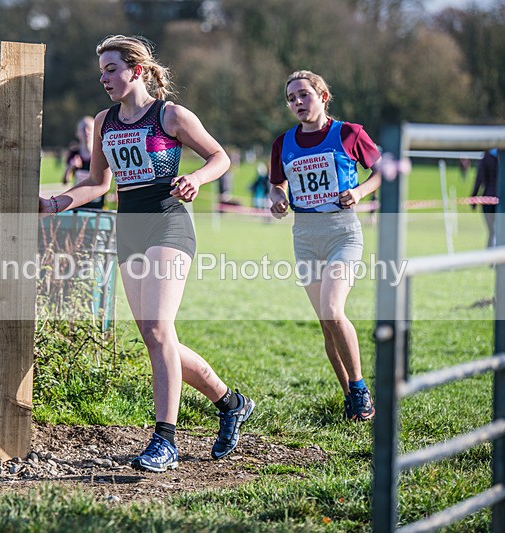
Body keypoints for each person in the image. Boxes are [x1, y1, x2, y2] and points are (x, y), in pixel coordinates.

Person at [39, 35, 255, 472]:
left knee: (158, 329)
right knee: (157, 338)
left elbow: (219, 157)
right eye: (101, 72)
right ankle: (231, 403)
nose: (104, 79)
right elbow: (98, 183)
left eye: (112, 69)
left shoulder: (170, 115)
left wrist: (196, 179)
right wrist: (55, 203)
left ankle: (165, 441)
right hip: (130, 229)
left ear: (136, 71)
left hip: (167, 223)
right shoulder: (105, 121)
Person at [269, 70, 381, 422]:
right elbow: (276, 184)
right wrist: (277, 198)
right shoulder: (283, 143)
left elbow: (382, 171)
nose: (297, 103)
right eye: (291, 99)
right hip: (305, 237)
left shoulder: (349, 133)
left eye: (304, 95)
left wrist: (359, 192)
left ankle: (360, 389)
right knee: (326, 323)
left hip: (342, 233)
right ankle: (350, 399)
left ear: (323, 96)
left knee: (333, 310)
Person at [61, 116, 104, 209]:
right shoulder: (74, 153)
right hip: (79, 205)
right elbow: (65, 181)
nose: (86, 132)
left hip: (98, 206)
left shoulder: (103, 153)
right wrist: (71, 167)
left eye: (89, 128)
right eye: (83, 129)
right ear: (77, 133)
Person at [471, 148, 498, 248]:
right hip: (503, 201)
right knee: (496, 230)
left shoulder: (486, 157)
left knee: (492, 231)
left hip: (487, 199)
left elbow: (479, 179)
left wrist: (473, 197)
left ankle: (492, 252)